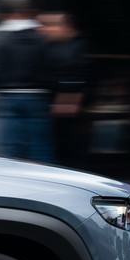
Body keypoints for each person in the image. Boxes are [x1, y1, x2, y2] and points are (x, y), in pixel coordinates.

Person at [0, 0, 54, 163]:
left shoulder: (3, 40)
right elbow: (51, 67)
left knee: (10, 146)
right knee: (40, 144)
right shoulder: (43, 40)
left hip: (8, 95)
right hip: (37, 96)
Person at [39, 12, 90, 166]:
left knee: (67, 144)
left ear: (67, 27)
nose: (44, 30)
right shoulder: (54, 46)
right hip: (59, 102)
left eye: (50, 25)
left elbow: (76, 75)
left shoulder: (77, 47)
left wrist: (69, 100)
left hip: (66, 102)